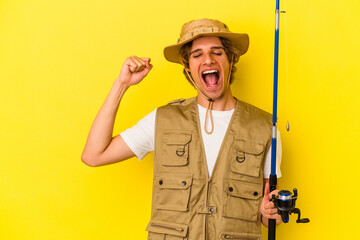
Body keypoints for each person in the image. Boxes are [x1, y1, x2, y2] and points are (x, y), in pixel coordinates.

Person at [82, 18, 282, 240]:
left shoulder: (265, 128)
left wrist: (269, 213)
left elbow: (267, 213)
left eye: (217, 52)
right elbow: (94, 155)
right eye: (197, 55)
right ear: (188, 67)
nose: (208, 60)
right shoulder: (163, 120)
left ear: (230, 60)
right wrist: (121, 84)